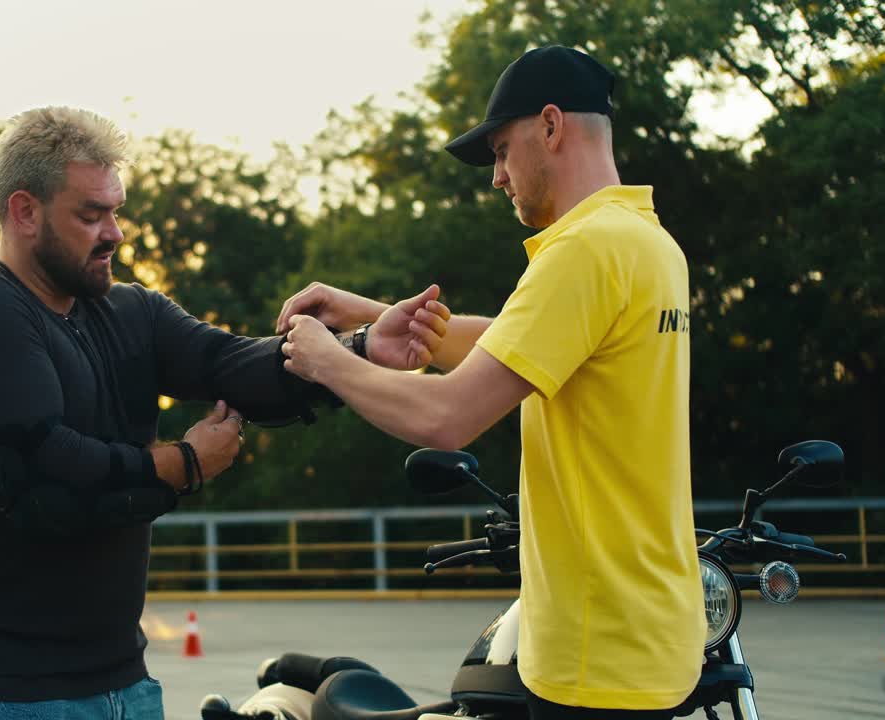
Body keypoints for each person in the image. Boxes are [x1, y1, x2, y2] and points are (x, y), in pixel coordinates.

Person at [0, 106, 450, 719]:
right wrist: (185, 463)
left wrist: (360, 349)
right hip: (0, 690)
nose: (114, 232)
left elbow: (234, 365)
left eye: (116, 211)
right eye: (91, 214)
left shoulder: (128, 311)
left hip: (123, 681)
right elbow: (45, 478)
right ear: (24, 211)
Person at [279, 45, 705, 720]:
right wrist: (364, 313)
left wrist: (326, 359)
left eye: (503, 151)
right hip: (653, 635)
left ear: (551, 126)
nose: (499, 177)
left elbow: (448, 417)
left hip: (596, 653)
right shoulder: (646, 242)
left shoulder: (582, 250)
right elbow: (516, 346)